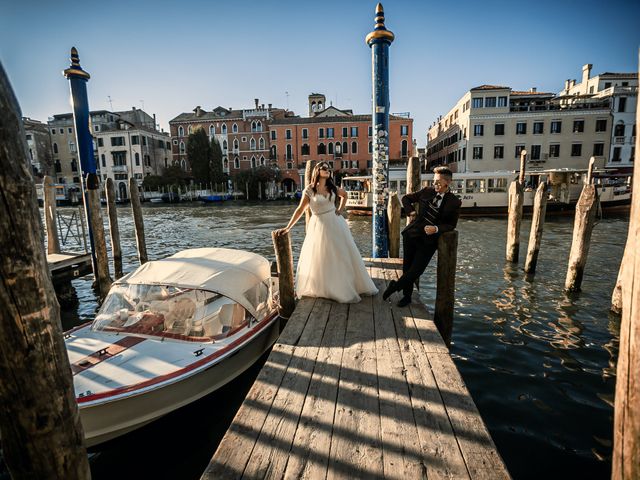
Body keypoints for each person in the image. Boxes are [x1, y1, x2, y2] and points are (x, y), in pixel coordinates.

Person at [276, 162, 378, 303]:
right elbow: (299, 210)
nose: (328, 170)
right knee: (321, 257)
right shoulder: (310, 190)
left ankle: (346, 286)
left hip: (335, 223)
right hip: (318, 225)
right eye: (324, 168)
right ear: (317, 171)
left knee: (341, 255)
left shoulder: (332, 188)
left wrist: (340, 209)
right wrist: (288, 227)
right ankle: (326, 287)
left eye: (329, 169)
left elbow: (345, 195)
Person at [383, 166, 462, 307]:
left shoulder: (454, 202)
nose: (435, 184)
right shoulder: (427, 191)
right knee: (407, 268)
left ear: (447, 183)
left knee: (417, 270)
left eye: (438, 182)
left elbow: (451, 225)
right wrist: (411, 212)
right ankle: (406, 297)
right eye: (434, 181)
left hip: (429, 241)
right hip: (412, 235)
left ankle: (395, 286)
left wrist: (436, 228)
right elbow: (406, 198)